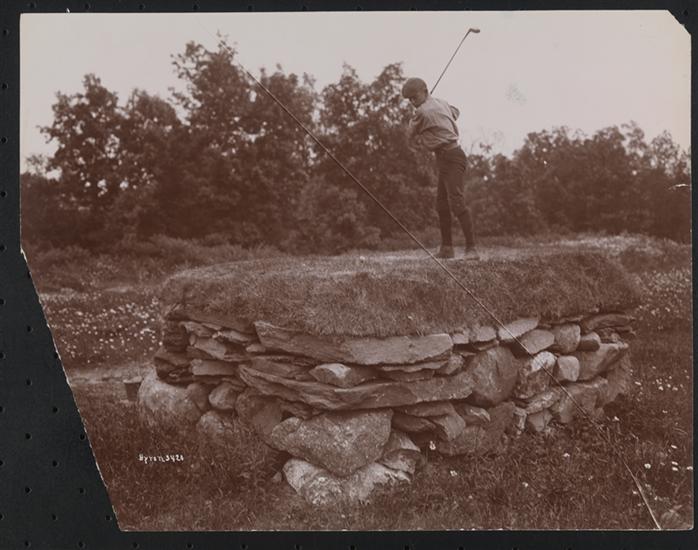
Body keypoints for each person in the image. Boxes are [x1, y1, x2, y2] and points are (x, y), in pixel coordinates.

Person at [402, 77, 478, 260]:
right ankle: (447, 249)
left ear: (425, 91)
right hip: (447, 157)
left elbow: (409, 134)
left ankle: (472, 249)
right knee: (441, 204)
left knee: (456, 202)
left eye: (414, 97)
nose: (412, 102)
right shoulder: (441, 103)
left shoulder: (420, 112)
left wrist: (421, 113)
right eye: (409, 99)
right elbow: (456, 112)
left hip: (451, 157)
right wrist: (434, 106)